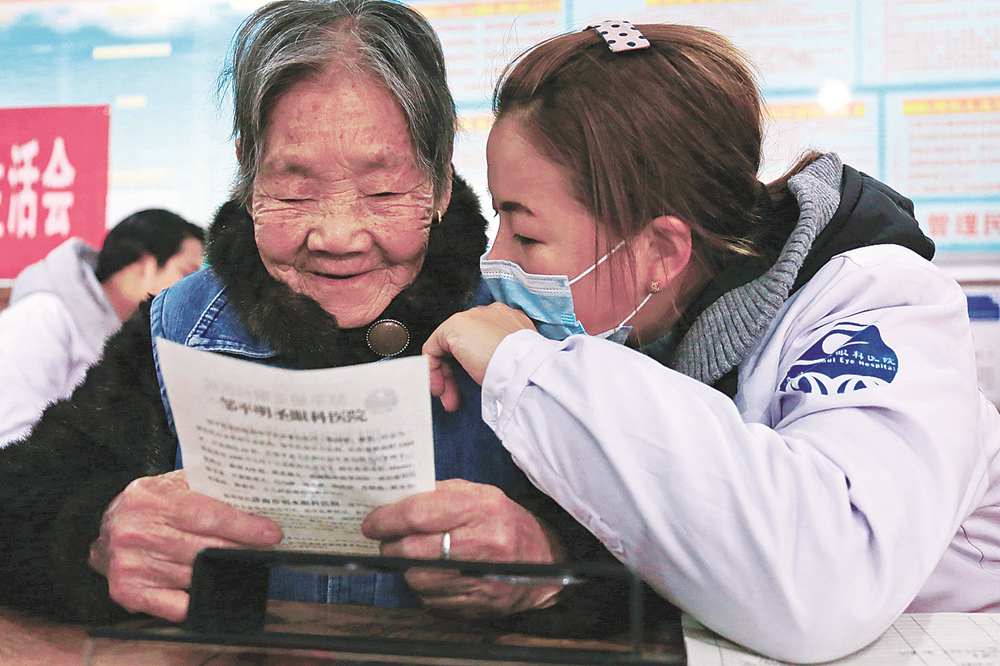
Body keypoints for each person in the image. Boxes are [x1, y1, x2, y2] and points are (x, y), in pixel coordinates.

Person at [364, 21, 1000, 663]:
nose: (496, 261)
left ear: (660, 252)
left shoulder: (880, 301)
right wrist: (545, 562)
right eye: (500, 219)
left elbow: (823, 586)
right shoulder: (639, 329)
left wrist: (528, 368)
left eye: (527, 237)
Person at [0, 0, 588, 631]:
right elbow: (21, 502)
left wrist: (550, 561)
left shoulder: (529, 321)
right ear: (248, 175)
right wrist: (92, 535)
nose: (337, 235)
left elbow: (676, 552)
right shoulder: (186, 322)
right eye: (294, 190)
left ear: (442, 182)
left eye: (384, 191)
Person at [0, 209, 204, 445]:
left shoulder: (133, 332)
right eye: (188, 274)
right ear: (144, 265)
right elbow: (11, 434)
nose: (194, 290)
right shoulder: (43, 315)